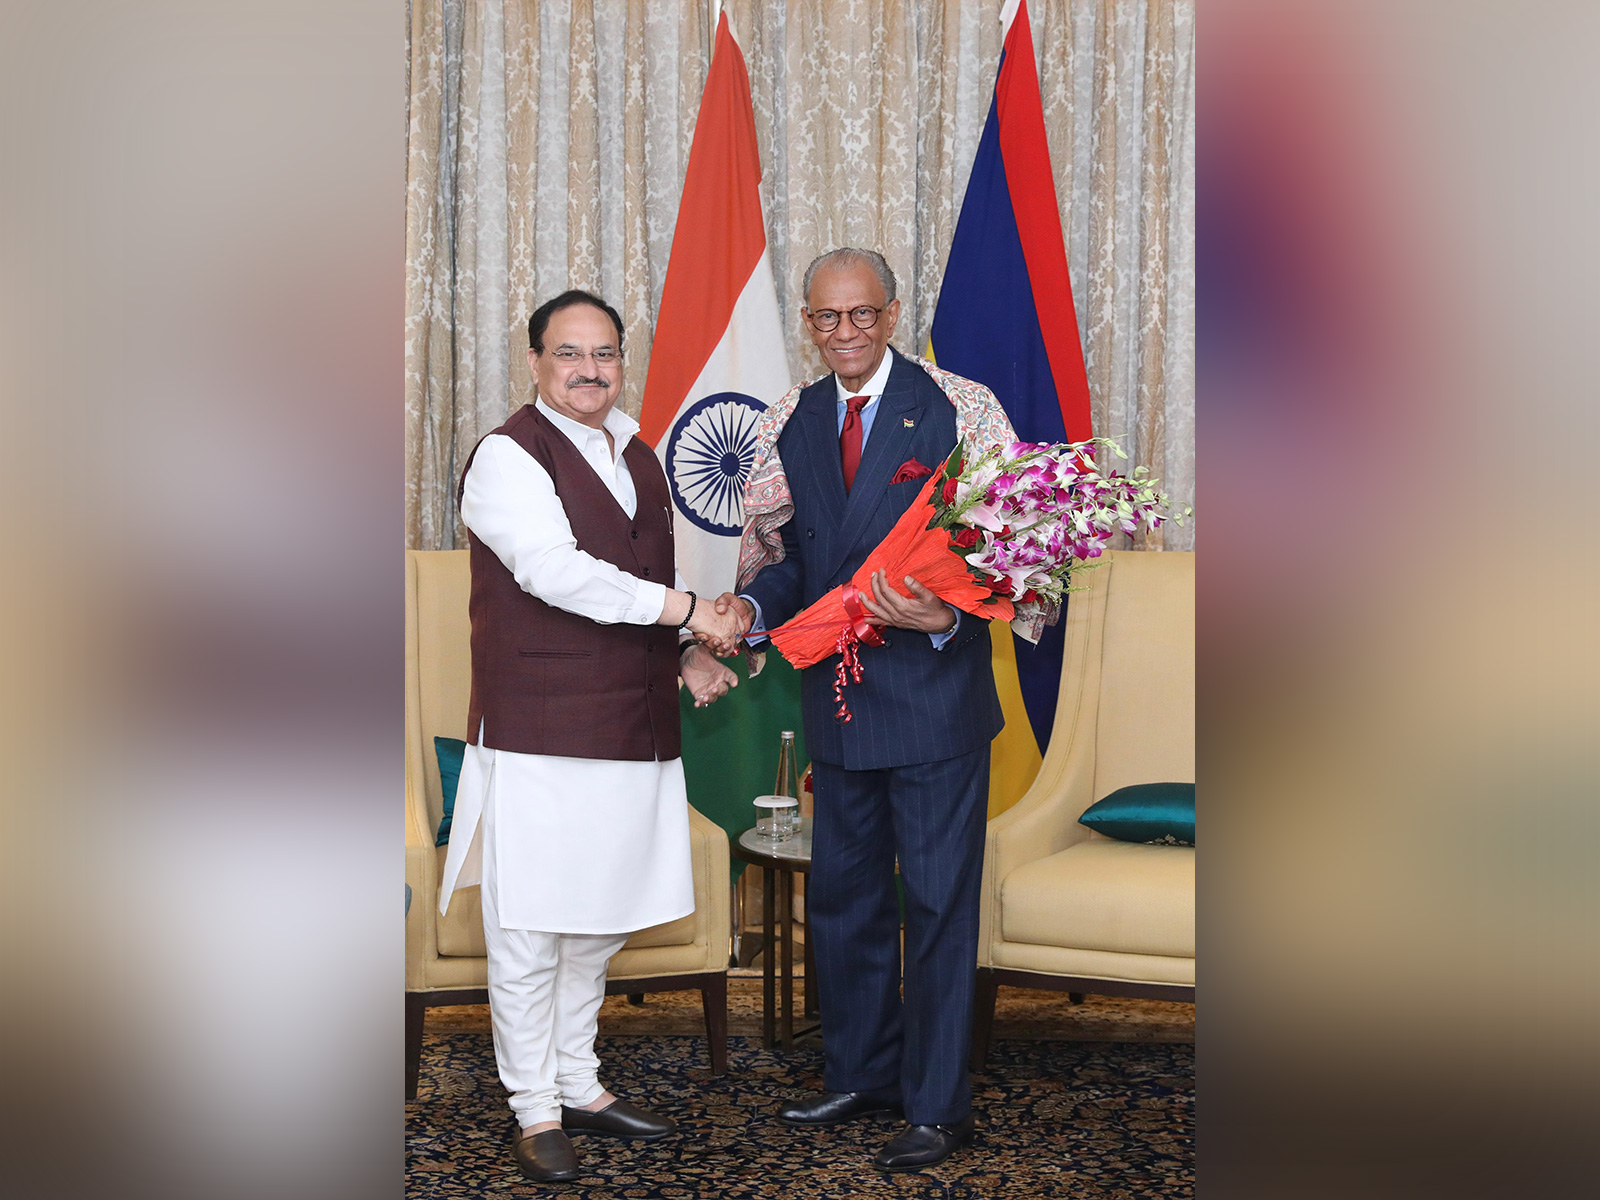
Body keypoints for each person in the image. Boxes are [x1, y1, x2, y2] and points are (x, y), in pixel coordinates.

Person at [436, 289, 745, 1184]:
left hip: (632, 721)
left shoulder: (638, 449)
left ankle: (581, 1082)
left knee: (596, 924)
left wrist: (686, 649)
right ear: (534, 362)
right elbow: (554, 572)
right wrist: (692, 611)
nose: (589, 370)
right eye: (569, 354)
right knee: (533, 926)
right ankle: (533, 1108)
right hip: (540, 727)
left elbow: (650, 574)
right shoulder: (506, 456)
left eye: (604, 353)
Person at [719, 249, 1016, 1173]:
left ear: (893, 314)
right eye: (824, 318)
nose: (843, 333)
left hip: (933, 701)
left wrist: (947, 610)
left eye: (861, 315)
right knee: (842, 901)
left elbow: (1018, 554)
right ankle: (859, 1071)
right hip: (838, 700)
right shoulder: (792, 420)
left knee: (933, 905)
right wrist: (754, 612)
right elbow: (788, 556)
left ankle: (936, 1103)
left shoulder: (963, 410)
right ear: (807, 323)